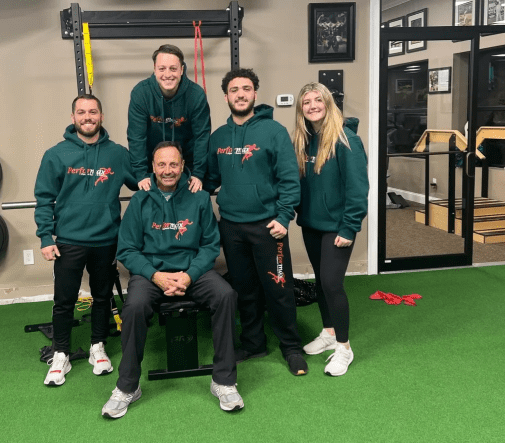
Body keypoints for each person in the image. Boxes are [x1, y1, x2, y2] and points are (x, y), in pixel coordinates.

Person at [102, 142, 241, 419]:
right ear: (153, 167)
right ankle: (127, 386)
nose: (168, 170)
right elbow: (127, 249)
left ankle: (223, 381)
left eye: (173, 164)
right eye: (162, 165)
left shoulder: (199, 198)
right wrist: (156, 276)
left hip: (193, 271)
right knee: (134, 307)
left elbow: (210, 246)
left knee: (225, 295)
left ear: (182, 166)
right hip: (151, 273)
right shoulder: (140, 200)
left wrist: (188, 276)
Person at [205, 68, 308, 376]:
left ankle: (291, 347)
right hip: (232, 227)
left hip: (268, 227)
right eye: (234, 90)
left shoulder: (273, 131)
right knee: (244, 289)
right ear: (226, 96)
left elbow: (290, 178)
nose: (240, 94)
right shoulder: (218, 138)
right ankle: (253, 343)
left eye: (246, 89)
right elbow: (210, 179)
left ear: (254, 94)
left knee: (279, 287)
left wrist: (284, 216)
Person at [34, 94, 136, 386]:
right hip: (68, 240)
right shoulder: (57, 154)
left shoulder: (118, 154)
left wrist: (186, 175)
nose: (87, 117)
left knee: (102, 296)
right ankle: (61, 354)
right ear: (73, 118)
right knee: (64, 301)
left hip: (106, 239)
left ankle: (97, 346)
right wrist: (45, 236)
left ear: (101, 117)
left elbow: (144, 181)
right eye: (81, 112)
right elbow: (43, 199)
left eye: (93, 112)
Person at [291, 82, 368, 376]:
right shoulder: (304, 141)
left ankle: (344, 347)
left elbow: (358, 189)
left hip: (338, 227)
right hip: (311, 224)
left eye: (317, 100)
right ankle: (328, 332)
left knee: (332, 284)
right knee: (321, 283)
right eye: (306, 102)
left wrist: (349, 227)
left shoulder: (346, 140)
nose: (312, 106)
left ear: (328, 104)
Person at [126, 44, 211, 193]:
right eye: (162, 68)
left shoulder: (196, 95)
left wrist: (198, 173)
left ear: (182, 70)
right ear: (154, 69)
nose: (168, 74)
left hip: (187, 164)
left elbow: (201, 138)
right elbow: (136, 137)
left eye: (173, 68)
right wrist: (141, 174)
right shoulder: (141, 93)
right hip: (152, 165)